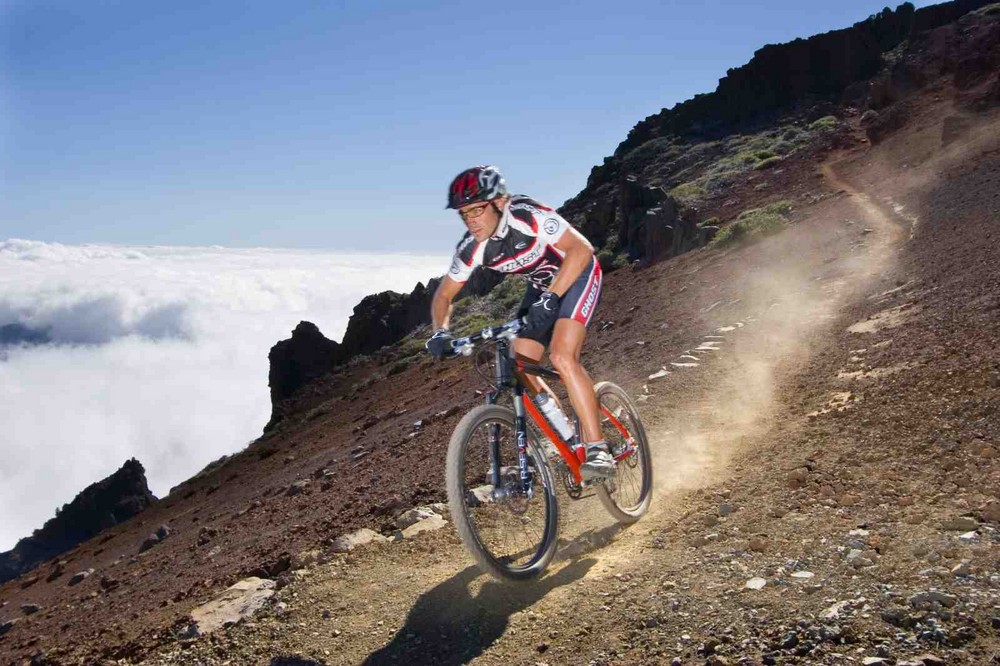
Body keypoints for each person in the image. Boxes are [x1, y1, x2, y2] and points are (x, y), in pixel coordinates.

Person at [425, 165, 614, 480]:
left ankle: (598, 449)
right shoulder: (471, 247)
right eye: (463, 214)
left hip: (577, 274)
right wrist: (440, 332)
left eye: (477, 210)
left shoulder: (527, 215)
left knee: (561, 356)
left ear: (500, 202)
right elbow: (444, 297)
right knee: (520, 364)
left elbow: (581, 250)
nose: (470, 219)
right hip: (541, 290)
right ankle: (567, 437)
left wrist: (552, 296)